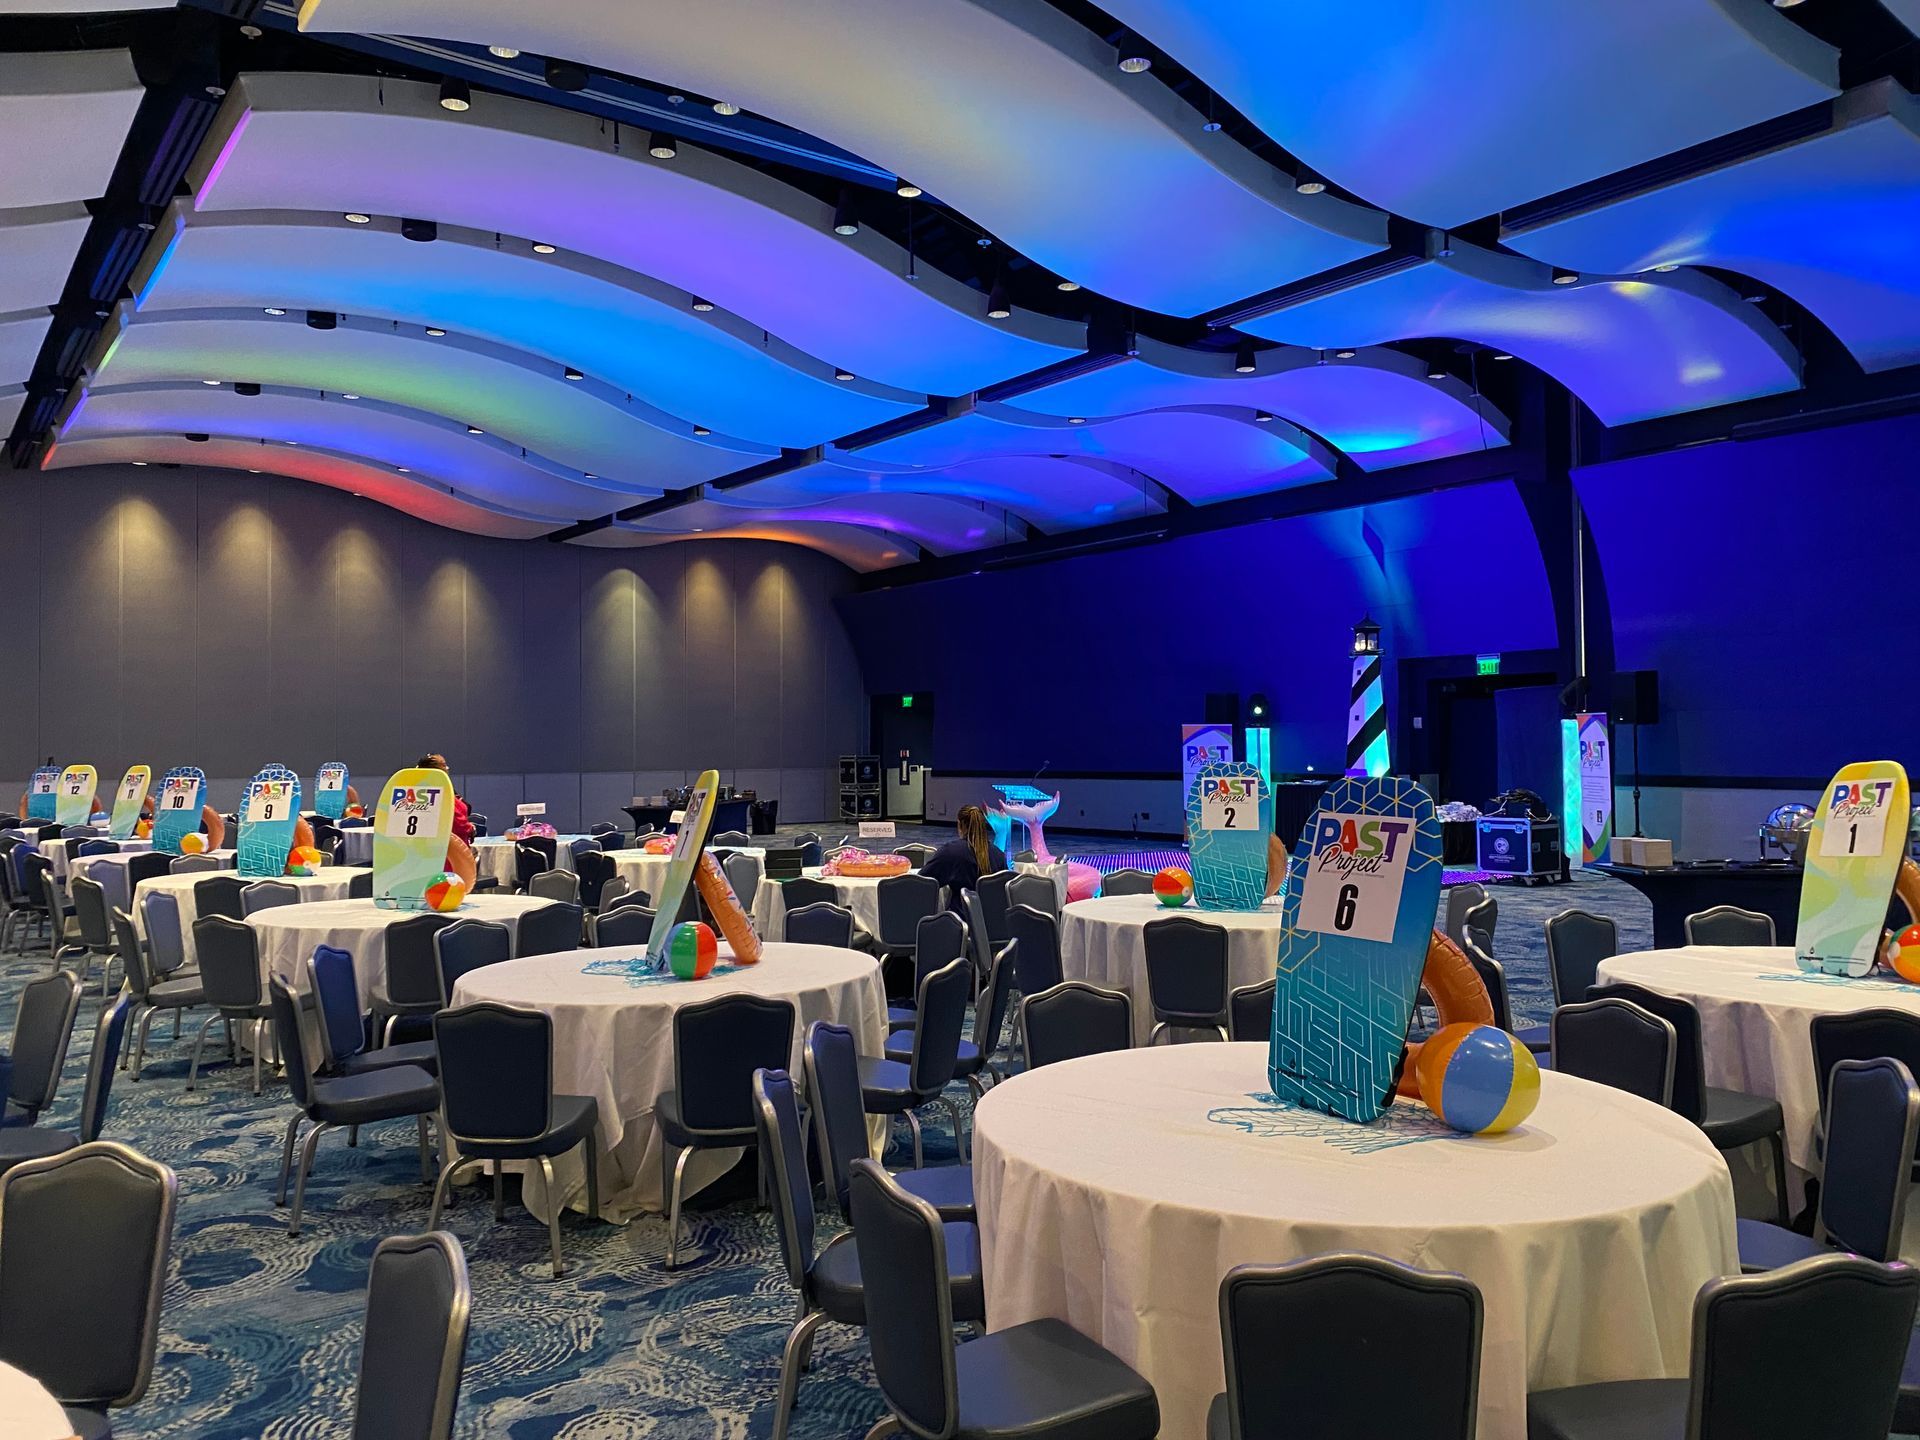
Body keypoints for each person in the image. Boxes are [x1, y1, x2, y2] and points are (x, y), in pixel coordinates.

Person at [921, 803, 1007, 914]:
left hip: (961, 922)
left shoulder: (950, 852)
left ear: (960, 825)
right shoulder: (999, 855)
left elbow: (924, 882)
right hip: (992, 923)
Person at [418, 753, 474, 845]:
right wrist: (470, 828)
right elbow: (457, 822)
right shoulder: (440, 793)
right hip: (447, 848)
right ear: (435, 771)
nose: (447, 768)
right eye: (443, 765)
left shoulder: (417, 790)